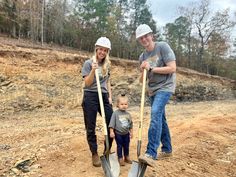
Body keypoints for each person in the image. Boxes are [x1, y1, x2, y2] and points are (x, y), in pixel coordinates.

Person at [135, 24, 176, 167]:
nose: (144, 39)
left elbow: (172, 68)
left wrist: (151, 67)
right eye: (141, 38)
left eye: (146, 36)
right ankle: (167, 149)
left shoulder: (162, 47)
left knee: (155, 114)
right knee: (160, 118)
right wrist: (143, 71)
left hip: (165, 87)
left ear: (152, 35)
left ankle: (151, 153)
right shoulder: (142, 57)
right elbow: (142, 80)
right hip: (152, 90)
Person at [81, 37, 113, 167]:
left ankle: (107, 150)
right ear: (96, 49)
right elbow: (87, 83)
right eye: (101, 49)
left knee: (112, 123)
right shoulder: (88, 63)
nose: (102, 52)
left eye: (105, 50)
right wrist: (93, 70)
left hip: (104, 96)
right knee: (91, 126)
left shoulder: (107, 64)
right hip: (90, 96)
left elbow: (108, 82)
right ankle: (94, 153)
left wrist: (110, 96)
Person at [109, 94, 133, 166]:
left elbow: (130, 124)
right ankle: (120, 158)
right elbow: (112, 123)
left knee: (126, 145)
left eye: (125, 104)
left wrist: (131, 132)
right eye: (122, 104)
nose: (124, 106)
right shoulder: (115, 114)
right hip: (118, 134)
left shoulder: (128, 114)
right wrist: (111, 132)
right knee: (119, 146)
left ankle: (126, 156)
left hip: (126, 134)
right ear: (118, 105)